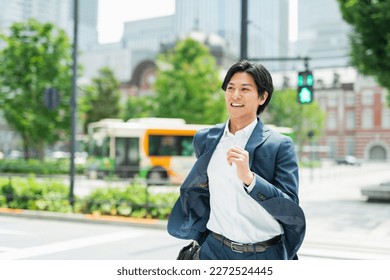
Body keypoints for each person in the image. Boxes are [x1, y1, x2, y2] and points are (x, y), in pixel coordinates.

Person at [168, 59, 306, 260]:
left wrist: (251, 180)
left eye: (245, 89)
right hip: (213, 250)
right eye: (230, 88)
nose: (235, 95)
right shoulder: (205, 139)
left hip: (263, 254)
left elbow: (290, 207)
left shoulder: (279, 145)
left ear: (262, 97)